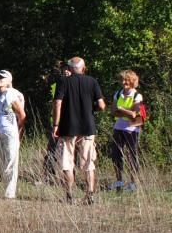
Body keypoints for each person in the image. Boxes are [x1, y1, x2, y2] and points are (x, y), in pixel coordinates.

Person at [52, 56, 106, 204]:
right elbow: (102, 105)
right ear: (83, 68)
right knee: (88, 162)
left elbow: (57, 103)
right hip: (88, 127)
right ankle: (90, 195)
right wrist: (90, 109)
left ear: (68, 69)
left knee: (67, 161)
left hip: (67, 126)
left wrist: (55, 125)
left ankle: (69, 195)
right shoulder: (92, 81)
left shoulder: (63, 81)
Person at [0, 70, 25, 199]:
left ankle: (9, 194)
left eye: (2, 78)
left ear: (9, 80)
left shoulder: (11, 94)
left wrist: (18, 131)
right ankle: (6, 189)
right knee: (1, 161)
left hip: (10, 131)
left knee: (11, 160)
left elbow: (22, 115)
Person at [110, 70, 144, 192]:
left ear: (133, 81)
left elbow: (134, 115)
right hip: (118, 127)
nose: (124, 82)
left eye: (127, 80)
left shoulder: (137, 96)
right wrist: (125, 111)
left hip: (132, 129)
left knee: (132, 155)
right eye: (122, 80)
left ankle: (133, 183)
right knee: (116, 155)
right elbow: (113, 111)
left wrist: (120, 109)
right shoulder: (118, 93)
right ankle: (119, 181)